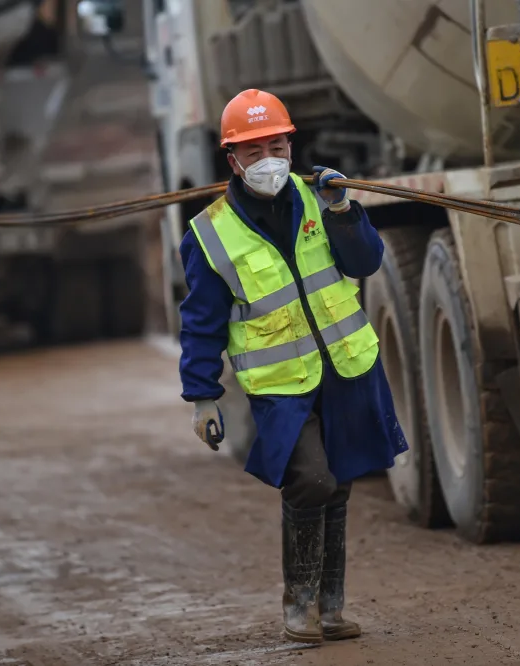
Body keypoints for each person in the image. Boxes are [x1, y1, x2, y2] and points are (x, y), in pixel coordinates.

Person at [177, 89, 408, 644]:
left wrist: (343, 210)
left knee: (342, 482)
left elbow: (365, 262)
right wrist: (202, 396)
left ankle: (331, 610)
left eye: (276, 146)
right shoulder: (209, 234)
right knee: (311, 480)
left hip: (344, 366)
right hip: (282, 385)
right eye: (253, 151)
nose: (268, 160)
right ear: (232, 160)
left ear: (290, 145)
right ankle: (297, 607)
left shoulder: (317, 200)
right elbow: (201, 321)